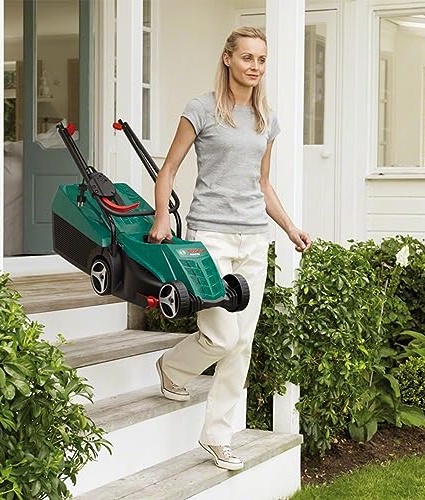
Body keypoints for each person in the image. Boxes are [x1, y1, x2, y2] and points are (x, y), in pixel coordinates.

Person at [149, 26, 311, 471]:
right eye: (247, 57)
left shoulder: (266, 120)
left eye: (261, 59)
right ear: (228, 59)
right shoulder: (201, 109)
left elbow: (263, 184)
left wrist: (290, 227)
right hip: (210, 237)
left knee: (242, 343)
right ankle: (173, 368)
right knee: (222, 335)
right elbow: (169, 169)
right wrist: (162, 216)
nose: (255, 67)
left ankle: (218, 436)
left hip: (253, 238)